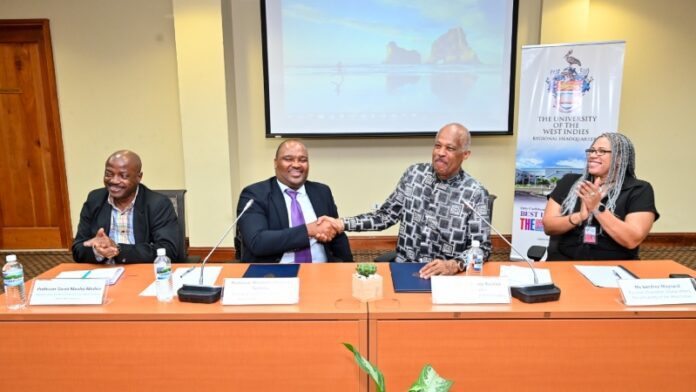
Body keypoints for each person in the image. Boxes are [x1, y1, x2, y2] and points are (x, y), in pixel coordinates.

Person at [320, 123, 491, 278]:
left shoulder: (475, 193)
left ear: (465, 154)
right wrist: (341, 223)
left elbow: (482, 248)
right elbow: (386, 216)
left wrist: (453, 265)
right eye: (437, 146)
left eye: (450, 148)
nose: (440, 153)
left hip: (446, 277)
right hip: (405, 269)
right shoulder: (414, 175)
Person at [542, 133, 659, 260]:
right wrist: (579, 217)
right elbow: (548, 226)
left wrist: (596, 207)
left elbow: (632, 239)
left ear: (619, 158)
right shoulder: (569, 182)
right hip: (564, 262)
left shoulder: (639, 190)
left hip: (612, 268)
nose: (592, 155)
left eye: (601, 151)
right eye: (592, 150)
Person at [235, 140, 352, 263]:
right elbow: (257, 242)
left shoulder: (322, 192)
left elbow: (337, 237)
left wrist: (348, 267)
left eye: (302, 160)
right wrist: (309, 230)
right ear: (275, 163)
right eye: (288, 159)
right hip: (274, 275)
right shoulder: (255, 194)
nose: (296, 165)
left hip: (322, 272)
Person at [72, 150, 181, 263]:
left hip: (141, 273)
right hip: (102, 273)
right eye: (109, 174)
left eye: (123, 176)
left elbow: (168, 250)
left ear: (139, 177)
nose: (114, 180)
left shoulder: (158, 204)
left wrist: (118, 249)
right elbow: (78, 249)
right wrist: (97, 250)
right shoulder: (95, 199)